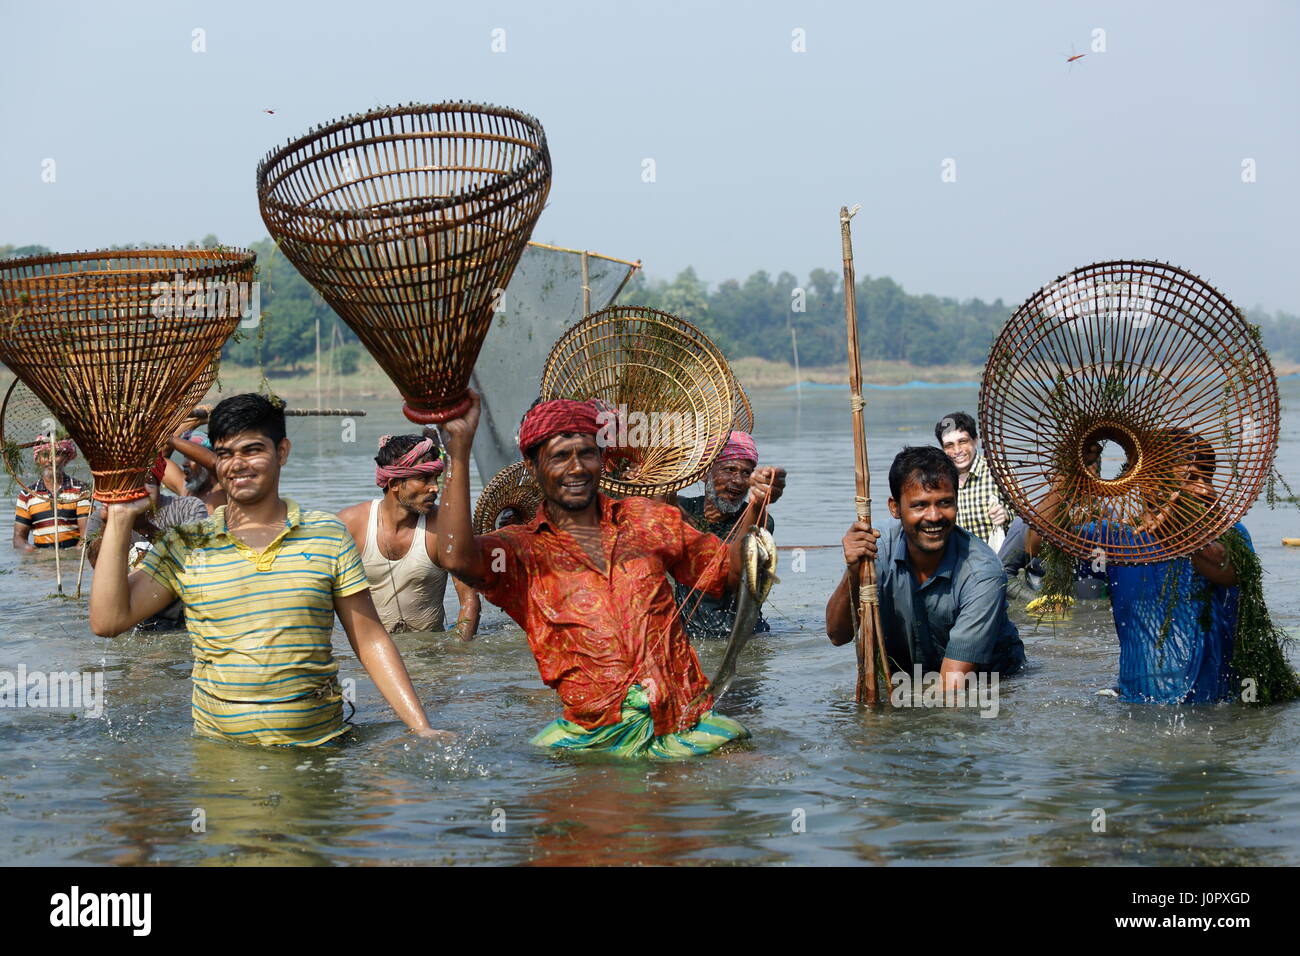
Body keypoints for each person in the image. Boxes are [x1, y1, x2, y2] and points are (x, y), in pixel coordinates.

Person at [435, 393, 786, 758]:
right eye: (559, 456)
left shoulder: (647, 521)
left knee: (758, 774)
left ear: (601, 460)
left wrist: (757, 506)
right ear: (531, 465)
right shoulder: (520, 551)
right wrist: (458, 452)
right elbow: (456, 557)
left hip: (683, 722)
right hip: (595, 738)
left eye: (586, 453)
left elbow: (727, 574)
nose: (576, 468)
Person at [89, 393, 444, 746]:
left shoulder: (326, 535)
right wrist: (119, 518)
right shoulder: (188, 544)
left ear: (282, 452)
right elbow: (109, 621)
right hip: (224, 759)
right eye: (225, 453)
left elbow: (369, 640)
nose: (237, 464)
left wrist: (421, 727)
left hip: (321, 749)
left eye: (252, 450)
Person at [1025, 431, 1249, 703]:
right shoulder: (1116, 540)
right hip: (1137, 702)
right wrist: (1065, 478)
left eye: (1208, 477)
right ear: (1148, 483)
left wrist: (1184, 535)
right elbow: (1038, 543)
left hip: (1213, 702)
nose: (1206, 489)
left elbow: (1228, 571)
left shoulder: (1229, 534)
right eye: (1192, 479)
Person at [826, 446, 1025, 688]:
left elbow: (951, 687)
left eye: (944, 503)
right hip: (910, 677)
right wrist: (854, 571)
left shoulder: (982, 573)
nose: (934, 516)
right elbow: (837, 636)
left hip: (989, 681)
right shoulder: (876, 548)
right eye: (919, 505)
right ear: (895, 508)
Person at [337, 434, 480, 640]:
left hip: (429, 653)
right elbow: (320, 596)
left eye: (436, 478)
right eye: (423, 479)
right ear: (394, 483)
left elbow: (469, 600)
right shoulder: (350, 525)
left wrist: (459, 654)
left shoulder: (446, 527)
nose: (435, 488)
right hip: (371, 649)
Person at [670, 430, 782, 640]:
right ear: (705, 474)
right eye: (730, 469)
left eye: (746, 473)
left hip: (744, 638)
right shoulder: (683, 509)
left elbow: (731, 565)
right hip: (690, 635)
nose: (738, 481)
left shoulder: (759, 519)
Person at [935, 412, 1012, 547]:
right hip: (959, 560)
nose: (957, 450)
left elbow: (1026, 520)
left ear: (975, 440)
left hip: (997, 556)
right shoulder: (939, 480)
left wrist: (1006, 515)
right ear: (942, 449)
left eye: (962, 441)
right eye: (949, 445)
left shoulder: (998, 471)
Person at [13, 438, 90, 552]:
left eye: (57, 454)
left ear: (66, 458)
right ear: (38, 459)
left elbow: (87, 536)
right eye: (44, 455)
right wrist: (34, 553)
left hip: (72, 560)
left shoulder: (81, 490)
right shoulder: (27, 494)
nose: (50, 460)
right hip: (41, 562)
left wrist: (72, 558)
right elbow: (18, 539)